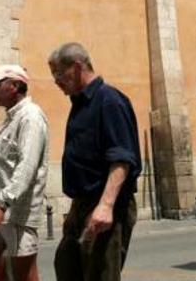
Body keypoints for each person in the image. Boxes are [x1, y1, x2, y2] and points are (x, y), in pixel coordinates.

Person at [48, 42, 141, 281]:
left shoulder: (109, 100)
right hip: (82, 205)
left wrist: (106, 205)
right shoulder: (80, 104)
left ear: (77, 67)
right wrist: (75, 211)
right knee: (67, 267)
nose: (55, 80)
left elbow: (121, 158)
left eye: (59, 73)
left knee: (100, 275)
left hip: (104, 204)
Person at [0, 64, 49, 281]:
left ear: (14, 86)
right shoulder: (11, 118)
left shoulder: (31, 117)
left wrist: (1, 206)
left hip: (16, 213)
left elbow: (27, 167)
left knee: (23, 275)